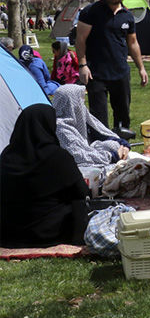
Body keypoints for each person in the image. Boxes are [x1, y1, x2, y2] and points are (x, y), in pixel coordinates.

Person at [0, 104, 89, 248]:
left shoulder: (7, 155)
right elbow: (82, 192)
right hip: (47, 233)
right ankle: (77, 238)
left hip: (9, 232)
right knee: (78, 203)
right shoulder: (58, 157)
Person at [75, 0, 148, 137]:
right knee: (98, 120)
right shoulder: (91, 11)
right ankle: (101, 153)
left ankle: (122, 152)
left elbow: (133, 43)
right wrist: (82, 65)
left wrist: (141, 68)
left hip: (120, 73)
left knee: (123, 117)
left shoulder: (127, 16)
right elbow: (80, 40)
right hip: (96, 73)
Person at [51, 84, 130, 168]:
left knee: (112, 144)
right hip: (79, 167)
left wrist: (123, 145)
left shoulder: (80, 117)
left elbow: (101, 133)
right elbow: (78, 156)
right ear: (72, 102)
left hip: (96, 153)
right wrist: (113, 156)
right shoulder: (60, 128)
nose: (83, 103)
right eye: (81, 99)